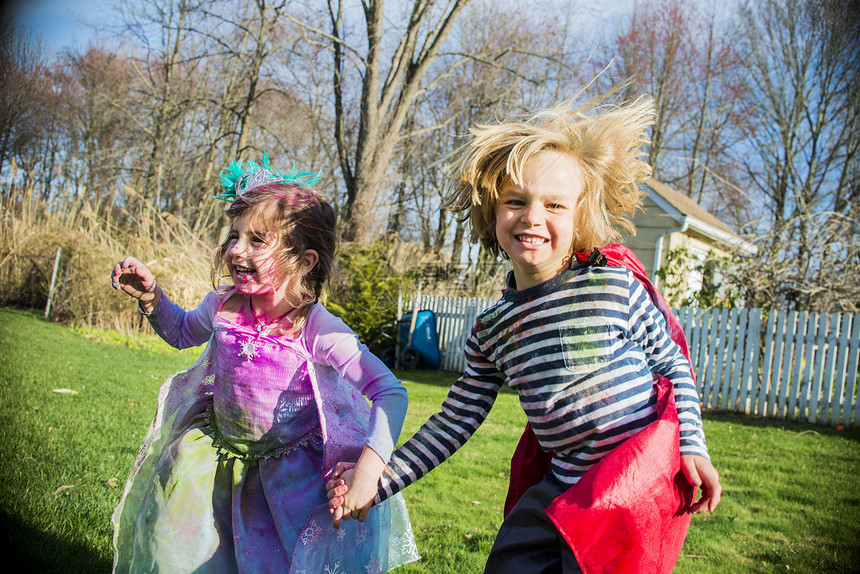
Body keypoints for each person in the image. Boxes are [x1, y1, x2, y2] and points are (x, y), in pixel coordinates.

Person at [327, 94, 722, 573]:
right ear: (492, 213)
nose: (532, 216)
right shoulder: (494, 330)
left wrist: (692, 446)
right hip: (561, 486)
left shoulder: (612, 287)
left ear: (580, 217)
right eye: (516, 201)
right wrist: (380, 481)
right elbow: (454, 421)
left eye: (554, 204)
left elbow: (671, 364)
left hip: (630, 485)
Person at [110, 157, 419, 574]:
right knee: (189, 555)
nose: (236, 250)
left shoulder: (317, 329)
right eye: (234, 235)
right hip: (216, 460)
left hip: (291, 479)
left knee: (274, 561)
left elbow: (390, 391)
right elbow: (183, 333)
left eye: (257, 240)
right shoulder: (222, 306)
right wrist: (151, 299)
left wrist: (368, 470)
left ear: (304, 261)